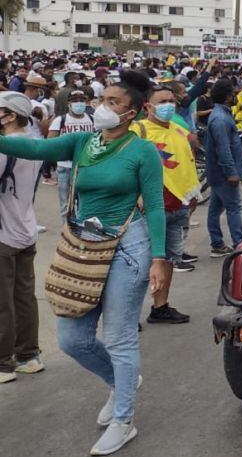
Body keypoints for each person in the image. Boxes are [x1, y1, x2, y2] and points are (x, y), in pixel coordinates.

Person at [0, 70, 165, 455]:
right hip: (83, 246)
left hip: (128, 248)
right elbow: (34, 150)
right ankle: (122, 381)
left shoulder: (142, 152)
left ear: (132, 113)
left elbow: (156, 206)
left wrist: (159, 258)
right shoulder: (82, 142)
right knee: (72, 339)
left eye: (113, 103)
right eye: (102, 99)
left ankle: (124, 420)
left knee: (120, 338)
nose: (102, 107)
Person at [133, 85, 201, 323]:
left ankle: (160, 307)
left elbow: (187, 162)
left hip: (177, 206)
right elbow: (128, 166)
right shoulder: (138, 130)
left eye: (171, 100)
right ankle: (129, 316)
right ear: (147, 106)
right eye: (162, 102)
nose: (168, 105)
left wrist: (192, 194)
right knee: (140, 262)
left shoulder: (179, 129)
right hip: (150, 208)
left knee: (168, 259)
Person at [0, 92, 44, 384]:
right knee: (24, 297)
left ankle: (3, 364)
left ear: (11, 115)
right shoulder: (35, 142)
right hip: (25, 228)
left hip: (4, 233)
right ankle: (29, 355)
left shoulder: (5, 147)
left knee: (2, 302)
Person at [204, 80, 242, 258]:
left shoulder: (221, 115)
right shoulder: (220, 119)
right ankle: (239, 245)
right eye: (233, 93)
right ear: (228, 96)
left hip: (218, 172)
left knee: (215, 209)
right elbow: (223, 148)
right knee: (233, 207)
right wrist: (231, 172)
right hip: (223, 174)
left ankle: (217, 244)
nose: (236, 96)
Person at [48, 89, 95, 218]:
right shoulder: (60, 120)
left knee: (84, 202)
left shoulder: (92, 119)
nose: (79, 103)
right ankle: (66, 228)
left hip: (85, 167)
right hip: (65, 167)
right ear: (69, 103)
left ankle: (80, 226)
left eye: (82, 100)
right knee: (66, 203)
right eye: (75, 101)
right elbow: (50, 142)